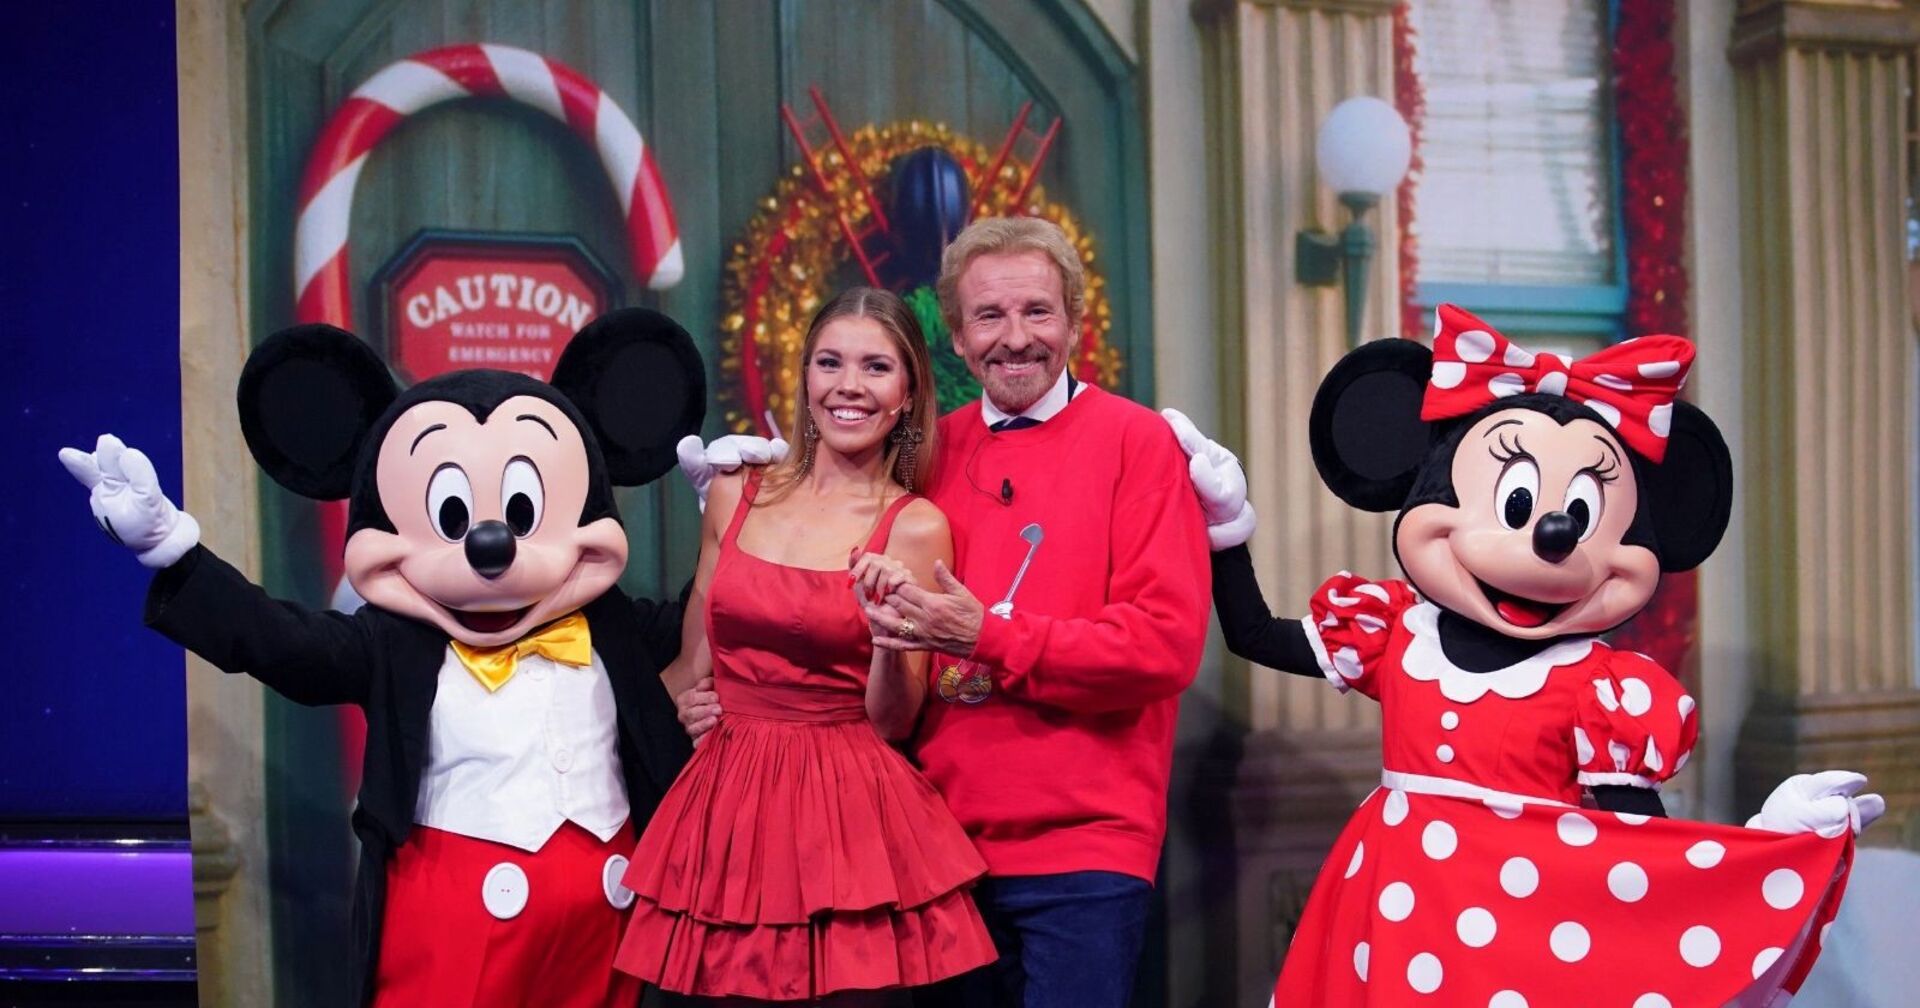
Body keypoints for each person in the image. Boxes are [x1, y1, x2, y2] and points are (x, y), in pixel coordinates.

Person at [1206, 306, 1879, 1006]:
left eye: (1581, 515)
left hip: (1528, 930)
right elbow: (1255, 634)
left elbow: (1646, 853)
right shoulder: (1400, 635)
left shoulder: (1600, 692)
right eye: (1518, 501)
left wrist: (1773, 845)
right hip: (1391, 911)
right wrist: (1225, 529)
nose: (1553, 535)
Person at [857, 217, 1214, 1007]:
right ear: (957, 337)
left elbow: (1162, 646)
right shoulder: (926, 453)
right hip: (940, 848)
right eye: (989, 315)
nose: (1015, 338)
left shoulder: (1139, 443)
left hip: (1085, 855)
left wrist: (988, 636)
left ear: (1074, 323)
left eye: (1037, 312)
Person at [612, 287, 997, 1002]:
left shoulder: (916, 527)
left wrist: (887, 633)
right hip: (725, 803)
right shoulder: (734, 493)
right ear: (806, 379)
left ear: (909, 394)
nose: (849, 385)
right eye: (830, 362)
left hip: (848, 812)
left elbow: (895, 722)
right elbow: (693, 663)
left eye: (876, 367)